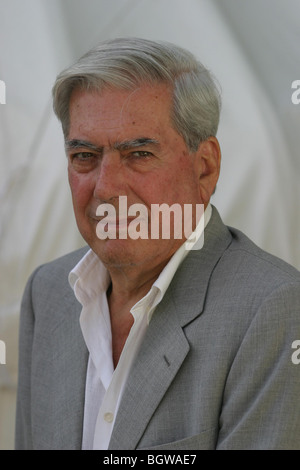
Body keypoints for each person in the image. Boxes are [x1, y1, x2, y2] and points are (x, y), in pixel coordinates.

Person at [15, 37, 300, 450]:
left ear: (205, 168)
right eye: (84, 156)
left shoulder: (274, 309)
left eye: (139, 154)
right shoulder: (47, 293)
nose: (106, 187)